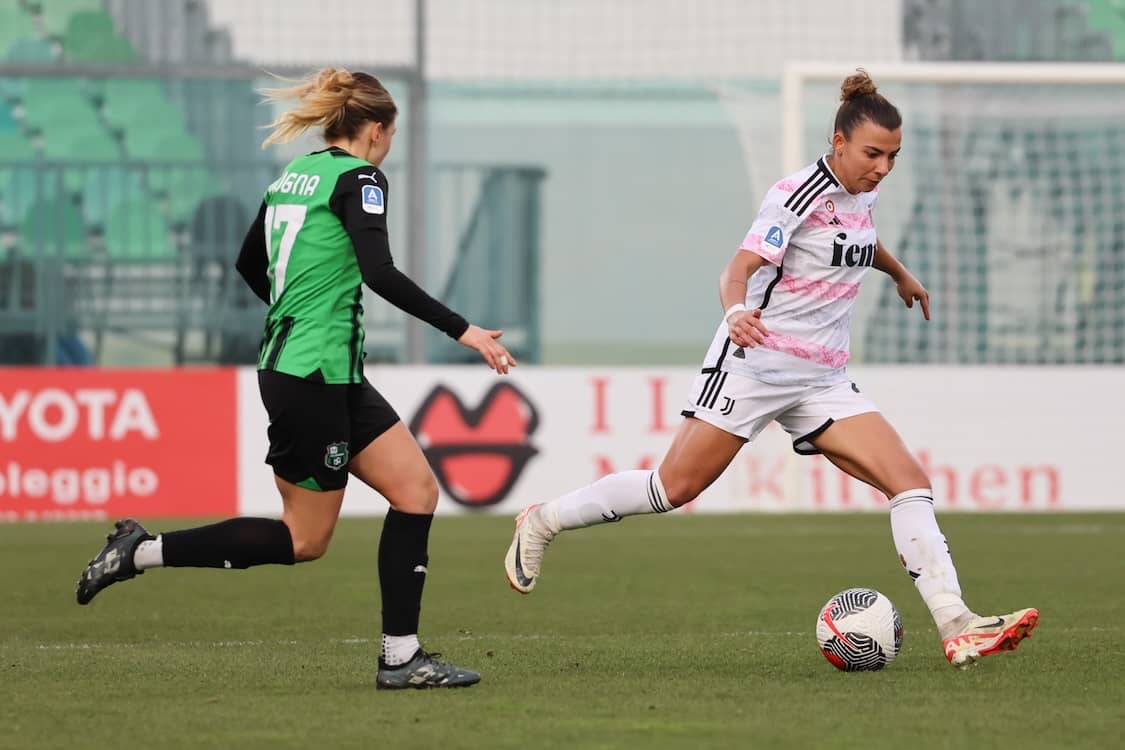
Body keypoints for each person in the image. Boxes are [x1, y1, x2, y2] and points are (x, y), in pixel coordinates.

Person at [504, 70, 1037, 669]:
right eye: (872, 154)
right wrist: (735, 311)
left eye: (893, 155)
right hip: (754, 365)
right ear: (837, 142)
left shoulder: (864, 190)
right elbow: (738, 267)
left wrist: (898, 272)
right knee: (672, 488)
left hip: (823, 379)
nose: (883, 167)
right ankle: (544, 518)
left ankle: (956, 622)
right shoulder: (795, 195)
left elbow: (861, 236)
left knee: (909, 482)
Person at [76, 68, 516, 690]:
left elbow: (249, 262)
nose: (389, 146)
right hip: (310, 375)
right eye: (391, 134)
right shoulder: (360, 177)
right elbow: (379, 272)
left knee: (416, 492)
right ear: (377, 129)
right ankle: (141, 550)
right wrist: (463, 330)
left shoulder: (295, 176)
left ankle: (401, 657)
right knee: (305, 539)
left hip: (325, 371)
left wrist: (295, 311)